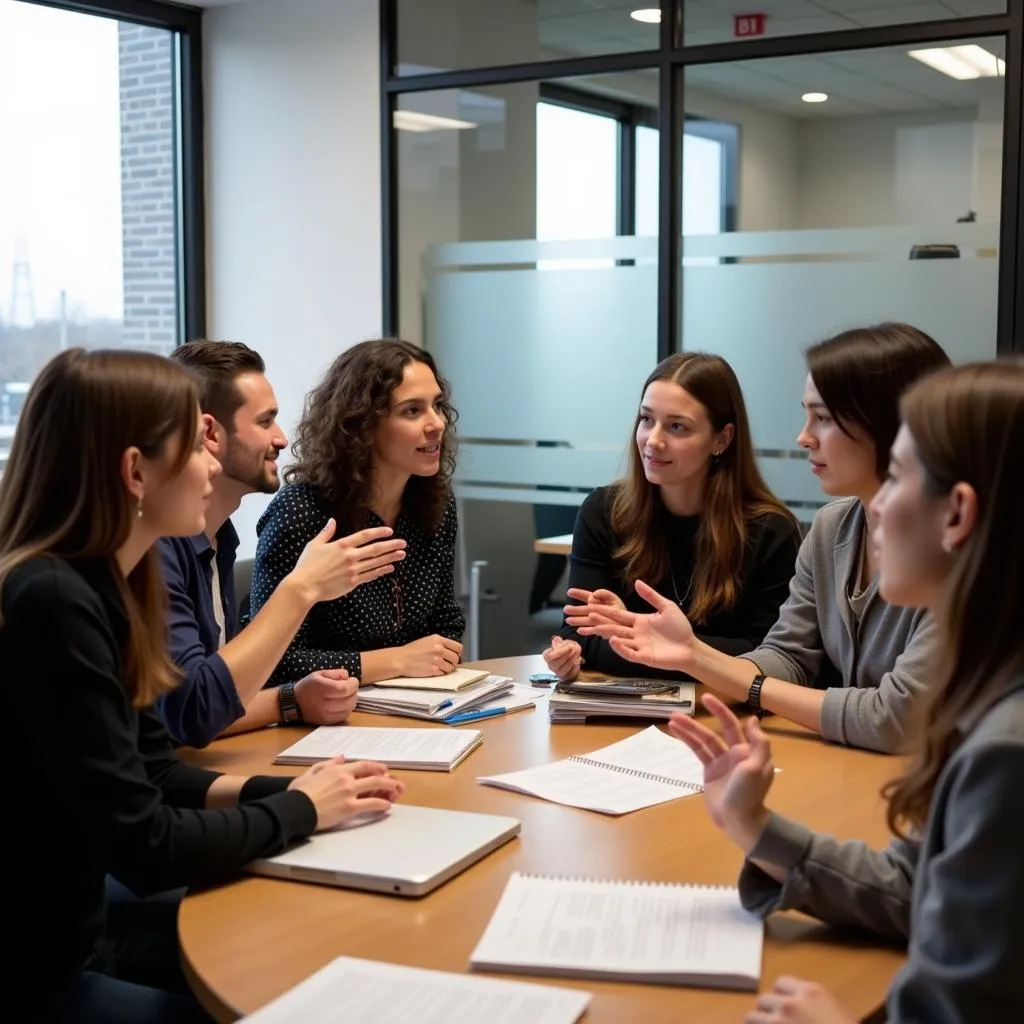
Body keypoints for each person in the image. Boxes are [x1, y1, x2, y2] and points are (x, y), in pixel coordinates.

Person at [1, 349, 404, 1023]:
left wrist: (302, 793)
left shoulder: (108, 580)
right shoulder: (51, 599)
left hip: (79, 925)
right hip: (46, 963)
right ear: (135, 472)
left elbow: (156, 768)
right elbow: (146, 847)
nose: (212, 465)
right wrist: (301, 812)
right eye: (195, 447)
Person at [668, 361, 1024, 1023]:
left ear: (959, 514)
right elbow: (917, 887)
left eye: (895, 476)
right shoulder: (989, 695)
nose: (878, 505)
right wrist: (753, 826)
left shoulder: (1006, 752)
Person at [568, 324, 950, 752]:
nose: (804, 437)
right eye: (647, 420)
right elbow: (787, 656)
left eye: (822, 418)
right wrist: (692, 654)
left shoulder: (960, 550)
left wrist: (702, 658)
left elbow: (895, 718)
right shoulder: (831, 528)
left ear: (890, 425)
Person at [156, 341, 407, 748]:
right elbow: (191, 714)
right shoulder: (158, 549)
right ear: (210, 434)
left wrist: (292, 700)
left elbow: (216, 699)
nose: (281, 437)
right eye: (265, 421)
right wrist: (303, 587)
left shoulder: (219, 538)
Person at [543, 352, 801, 682]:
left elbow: (768, 659)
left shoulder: (770, 531)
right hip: (620, 712)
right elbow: (580, 632)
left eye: (677, 426)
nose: (653, 440)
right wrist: (572, 653)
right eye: (647, 419)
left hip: (724, 715)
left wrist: (633, 637)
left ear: (722, 439)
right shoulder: (603, 511)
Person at [251, 339, 465, 685]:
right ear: (362, 426)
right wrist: (395, 661)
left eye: (437, 406)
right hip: (319, 722)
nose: (437, 423)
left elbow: (446, 622)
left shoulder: (436, 503)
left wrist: (434, 658)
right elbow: (272, 662)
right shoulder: (300, 513)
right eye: (413, 410)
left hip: (417, 707)